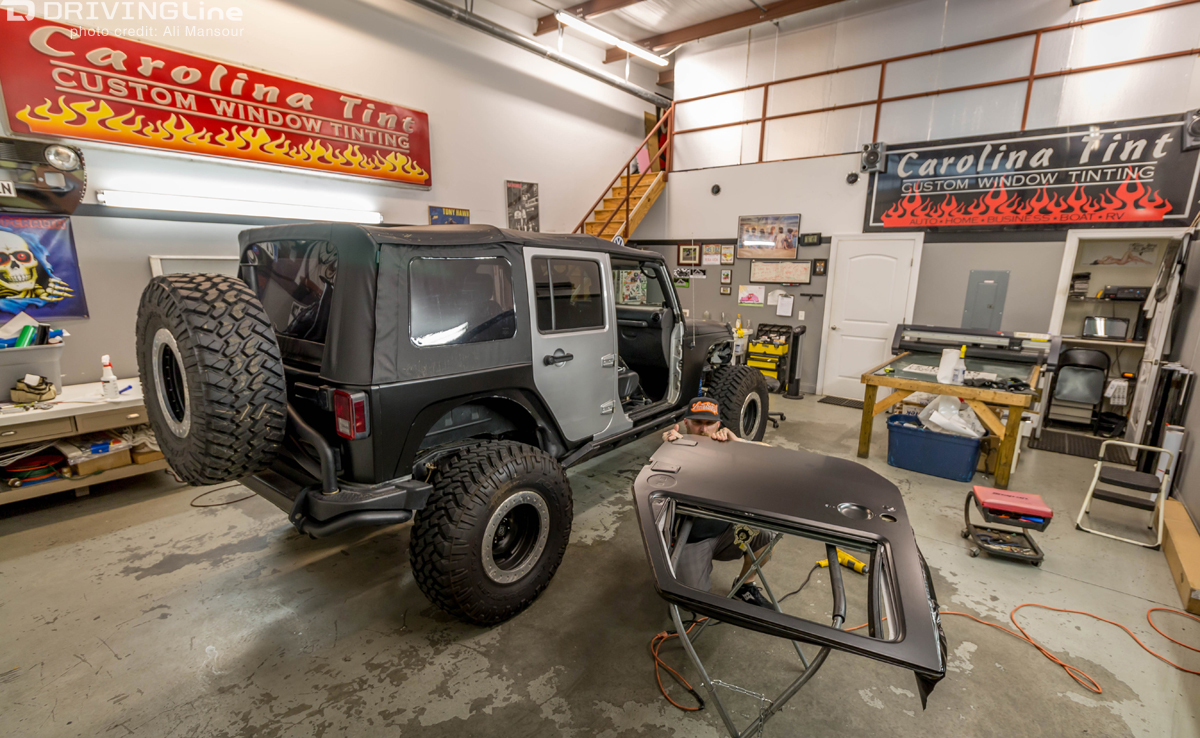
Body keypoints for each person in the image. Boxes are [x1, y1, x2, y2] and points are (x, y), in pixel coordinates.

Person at [662, 398, 775, 608]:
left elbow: (770, 451)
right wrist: (670, 443)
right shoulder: (677, 447)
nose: (703, 429)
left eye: (709, 423)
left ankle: (744, 585)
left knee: (765, 538)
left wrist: (738, 444)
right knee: (692, 603)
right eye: (697, 423)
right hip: (691, 539)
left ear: (719, 424)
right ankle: (675, 560)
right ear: (686, 422)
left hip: (726, 531)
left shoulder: (726, 447)